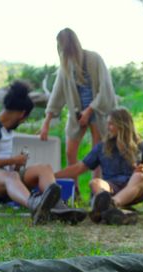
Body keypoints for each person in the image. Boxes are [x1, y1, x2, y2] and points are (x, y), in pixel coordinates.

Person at [0, 81, 87, 225]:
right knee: (11, 176)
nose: (24, 122)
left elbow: (5, 164)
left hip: (4, 178)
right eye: (26, 119)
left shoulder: (8, 130)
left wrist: (17, 164)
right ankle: (35, 206)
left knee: (44, 168)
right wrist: (13, 161)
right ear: (22, 114)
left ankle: (58, 207)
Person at [55, 108, 143, 225]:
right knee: (95, 182)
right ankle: (113, 213)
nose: (107, 127)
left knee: (138, 176)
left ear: (122, 125)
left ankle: (110, 205)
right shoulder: (103, 147)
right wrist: (53, 176)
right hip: (112, 186)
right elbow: (80, 167)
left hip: (135, 188)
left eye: (111, 124)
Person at [39, 27, 117, 184]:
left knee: (98, 153)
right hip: (76, 113)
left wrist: (89, 110)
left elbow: (106, 88)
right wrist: (46, 123)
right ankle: (74, 190)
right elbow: (57, 93)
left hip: (99, 111)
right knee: (70, 152)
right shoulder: (65, 66)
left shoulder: (94, 59)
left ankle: (97, 191)